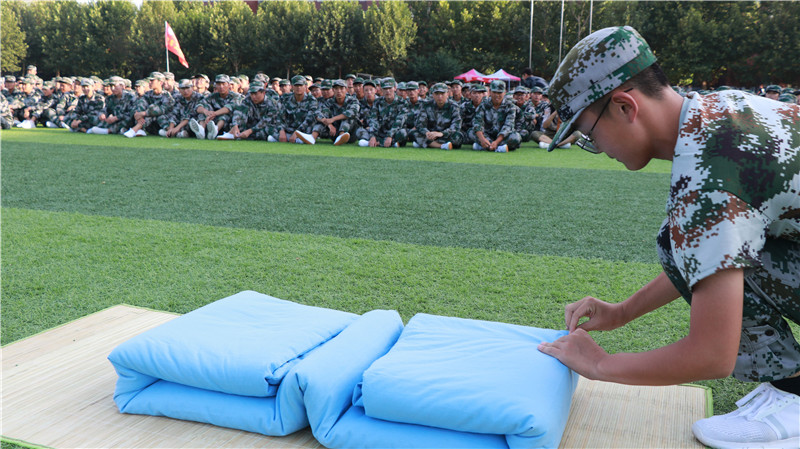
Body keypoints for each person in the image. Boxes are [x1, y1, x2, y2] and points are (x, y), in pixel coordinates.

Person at [535, 26, 800, 449]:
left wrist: (602, 365)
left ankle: (796, 397)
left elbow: (712, 354)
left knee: (684, 235)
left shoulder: (711, 174)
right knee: (684, 238)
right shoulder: (716, 112)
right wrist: (622, 312)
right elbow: (704, 253)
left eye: (590, 134)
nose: (598, 147)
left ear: (625, 106)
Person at [356, 78, 408, 148]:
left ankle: (378, 143)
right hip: (380, 132)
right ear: (381, 90)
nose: (388, 91)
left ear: (395, 88)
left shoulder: (402, 102)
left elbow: (399, 122)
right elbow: (374, 120)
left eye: (390, 88)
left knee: (403, 133)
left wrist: (389, 136)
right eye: (385, 89)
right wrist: (373, 136)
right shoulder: (377, 102)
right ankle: (390, 144)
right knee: (360, 131)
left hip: (394, 133)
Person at [471, 80, 520, 152]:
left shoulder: (510, 106)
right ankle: (498, 148)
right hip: (487, 135)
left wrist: (496, 142)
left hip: (502, 136)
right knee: (471, 133)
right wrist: (482, 139)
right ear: (490, 92)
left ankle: (486, 147)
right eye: (494, 92)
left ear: (504, 92)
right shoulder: (483, 104)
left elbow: (508, 126)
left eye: (499, 93)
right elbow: (477, 122)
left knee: (516, 137)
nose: (497, 95)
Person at [414, 82, 462, 150]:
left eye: (442, 94)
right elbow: (420, 124)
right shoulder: (426, 105)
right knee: (414, 133)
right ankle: (442, 146)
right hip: (430, 134)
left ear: (447, 94)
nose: (439, 97)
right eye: (437, 94)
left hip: (445, 134)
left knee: (458, 136)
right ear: (433, 95)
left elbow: (456, 125)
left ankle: (426, 144)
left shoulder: (454, 106)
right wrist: (427, 133)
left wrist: (442, 133)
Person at [125, 72, 174, 138]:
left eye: (152, 81)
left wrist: (144, 113)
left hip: (164, 122)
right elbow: (139, 103)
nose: (149, 82)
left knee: (152, 110)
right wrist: (138, 114)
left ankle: (135, 129)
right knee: (142, 104)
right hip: (150, 123)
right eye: (149, 81)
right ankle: (140, 129)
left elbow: (162, 110)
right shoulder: (148, 94)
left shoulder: (166, 95)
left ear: (160, 82)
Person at [316, 79, 360, 145]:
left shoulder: (353, 100)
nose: (339, 91)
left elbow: (352, 112)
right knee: (322, 120)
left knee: (348, 117)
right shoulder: (329, 102)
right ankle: (312, 137)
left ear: (346, 89)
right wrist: (329, 124)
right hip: (334, 132)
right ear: (333, 90)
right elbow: (318, 113)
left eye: (341, 88)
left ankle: (341, 136)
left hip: (350, 133)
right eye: (336, 89)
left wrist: (333, 119)